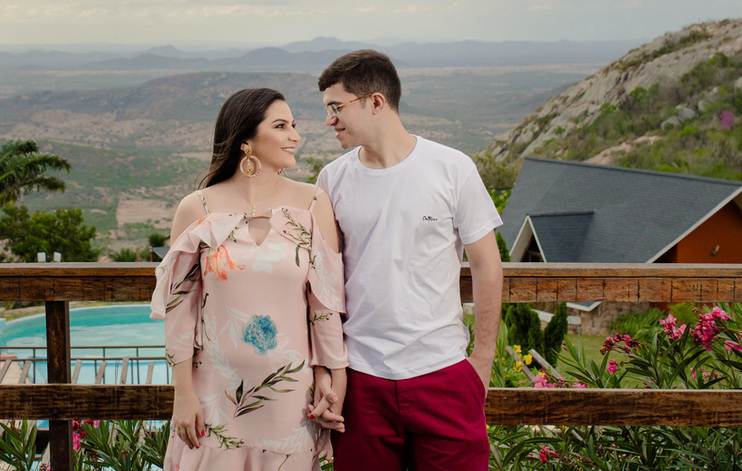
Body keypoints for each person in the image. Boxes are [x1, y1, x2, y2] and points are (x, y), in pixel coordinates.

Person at [314, 50, 503, 471]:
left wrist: (482, 363)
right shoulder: (332, 180)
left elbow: (487, 264)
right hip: (362, 380)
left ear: (375, 102)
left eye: (336, 107)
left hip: (444, 373)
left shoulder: (452, 168)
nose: (329, 120)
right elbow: (323, 281)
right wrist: (327, 370)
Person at [151, 87, 348, 471]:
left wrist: (332, 379)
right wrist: (182, 394)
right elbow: (180, 311)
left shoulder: (313, 204)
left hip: (292, 399)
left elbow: (324, 307)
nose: (295, 136)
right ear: (246, 141)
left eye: (294, 125)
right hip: (212, 395)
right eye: (281, 126)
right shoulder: (197, 208)